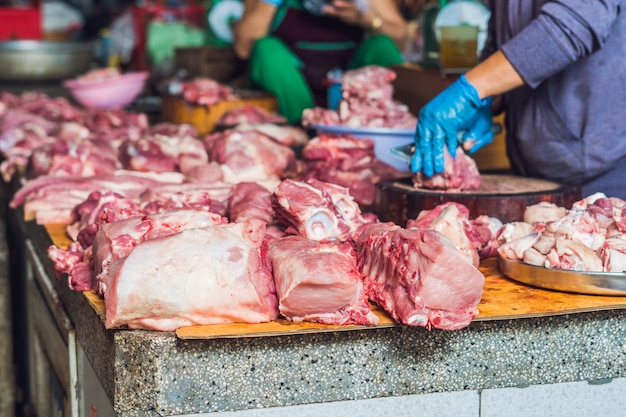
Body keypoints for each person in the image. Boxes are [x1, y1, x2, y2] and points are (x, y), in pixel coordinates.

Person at [410, 0, 626, 199]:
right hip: (530, 173)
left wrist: (472, 89)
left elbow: (571, 25)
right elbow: (500, 37)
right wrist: (487, 99)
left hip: (605, 176)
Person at [232, 0, 409, 124]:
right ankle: (302, 130)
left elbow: (401, 40)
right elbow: (243, 49)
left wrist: (369, 20)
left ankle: (384, 124)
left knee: (381, 45)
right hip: (291, 90)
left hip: (346, 87)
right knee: (266, 49)